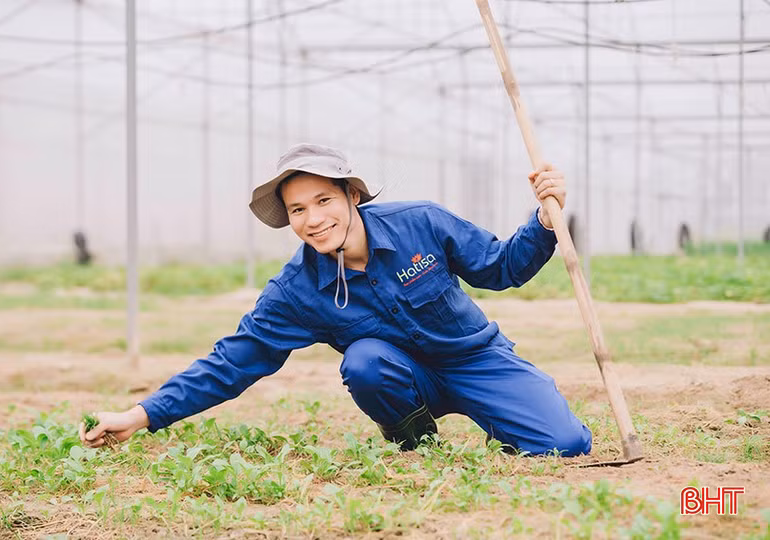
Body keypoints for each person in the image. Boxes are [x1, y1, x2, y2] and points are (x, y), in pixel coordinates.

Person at [80, 143, 592, 456]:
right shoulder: (296, 291)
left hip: (476, 360)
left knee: (567, 445)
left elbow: (501, 268)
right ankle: (417, 446)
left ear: (352, 196)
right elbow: (232, 362)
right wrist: (142, 415)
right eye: (297, 209)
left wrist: (545, 220)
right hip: (399, 376)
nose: (313, 219)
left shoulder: (421, 222)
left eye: (324, 200)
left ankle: (501, 421)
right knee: (365, 360)